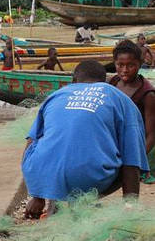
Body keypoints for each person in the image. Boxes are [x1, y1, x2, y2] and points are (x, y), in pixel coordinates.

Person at [22, 60, 147, 218]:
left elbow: (31, 142)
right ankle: (82, 202)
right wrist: (130, 209)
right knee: (128, 156)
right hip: (88, 177)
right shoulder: (117, 96)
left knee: (51, 148)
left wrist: (36, 195)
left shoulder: (57, 95)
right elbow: (132, 158)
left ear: (74, 81)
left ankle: (52, 201)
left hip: (43, 175)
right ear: (105, 82)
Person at [109, 39, 155, 183]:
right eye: (120, 65)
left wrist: (136, 159)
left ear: (140, 64)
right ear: (114, 64)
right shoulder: (113, 83)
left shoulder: (148, 94)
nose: (125, 70)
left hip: (137, 145)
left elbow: (151, 134)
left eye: (131, 65)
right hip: (115, 143)